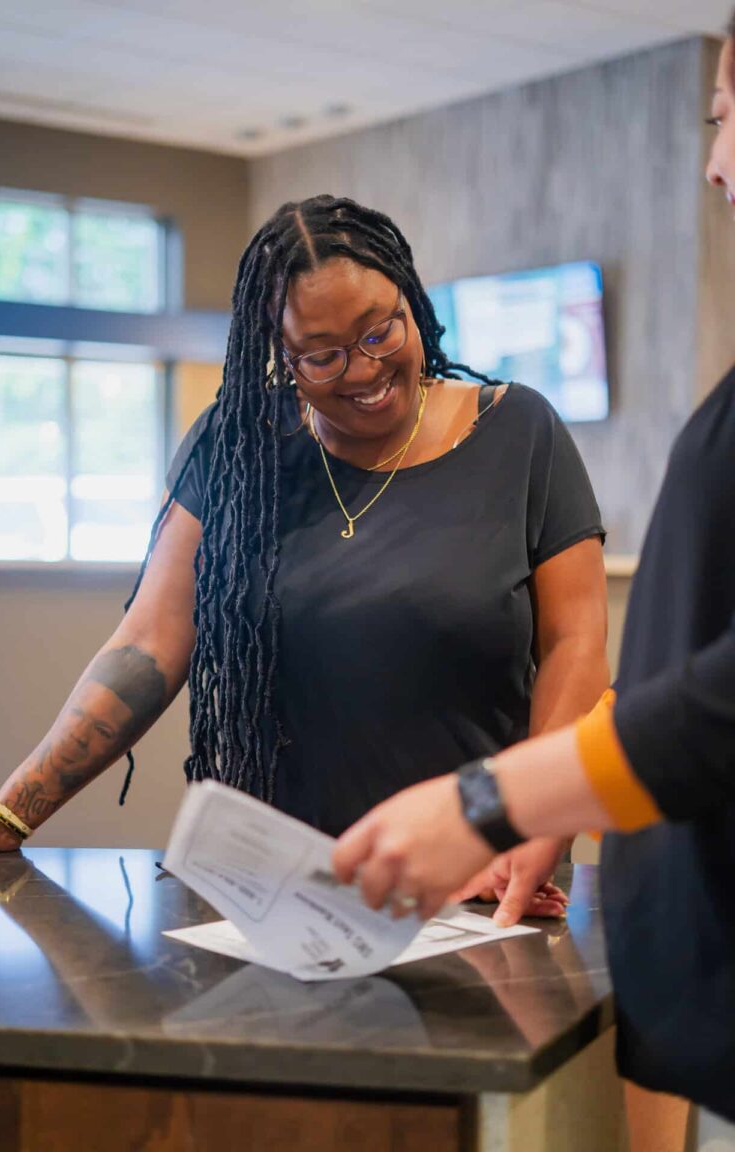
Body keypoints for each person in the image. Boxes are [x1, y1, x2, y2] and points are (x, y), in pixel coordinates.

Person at [0, 195, 608, 921]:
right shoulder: (236, 449)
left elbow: (576, 645)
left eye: (379, 332)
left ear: (409, 297)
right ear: (278, 352)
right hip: (277, 892)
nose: (362, 371)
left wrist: (518, 821)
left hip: (471, 881)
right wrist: (9, 816)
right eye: (322, 354)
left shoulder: (519, 432)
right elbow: (147, 646)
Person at [333, 20, 735, 1144]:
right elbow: (686, 665)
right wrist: (573, 790)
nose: (713, 162)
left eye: (721, 118)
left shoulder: (522, 433)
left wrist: (498, 797)